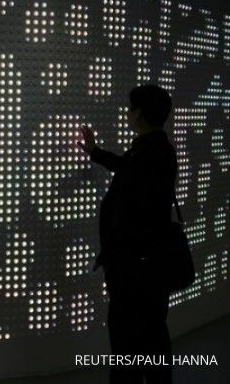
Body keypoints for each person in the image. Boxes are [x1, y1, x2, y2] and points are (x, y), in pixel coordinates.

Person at [77, 84, 177, 383]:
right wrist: (95, 152)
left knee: (127, 342)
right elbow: (125, 167)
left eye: (131, 108)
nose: (128, 113)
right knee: (153, 336)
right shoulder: (156, 148)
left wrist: (110, 256)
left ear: (140, 114)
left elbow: (131, 214)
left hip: (134, 269)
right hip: (149, 264)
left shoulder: (147, 154)